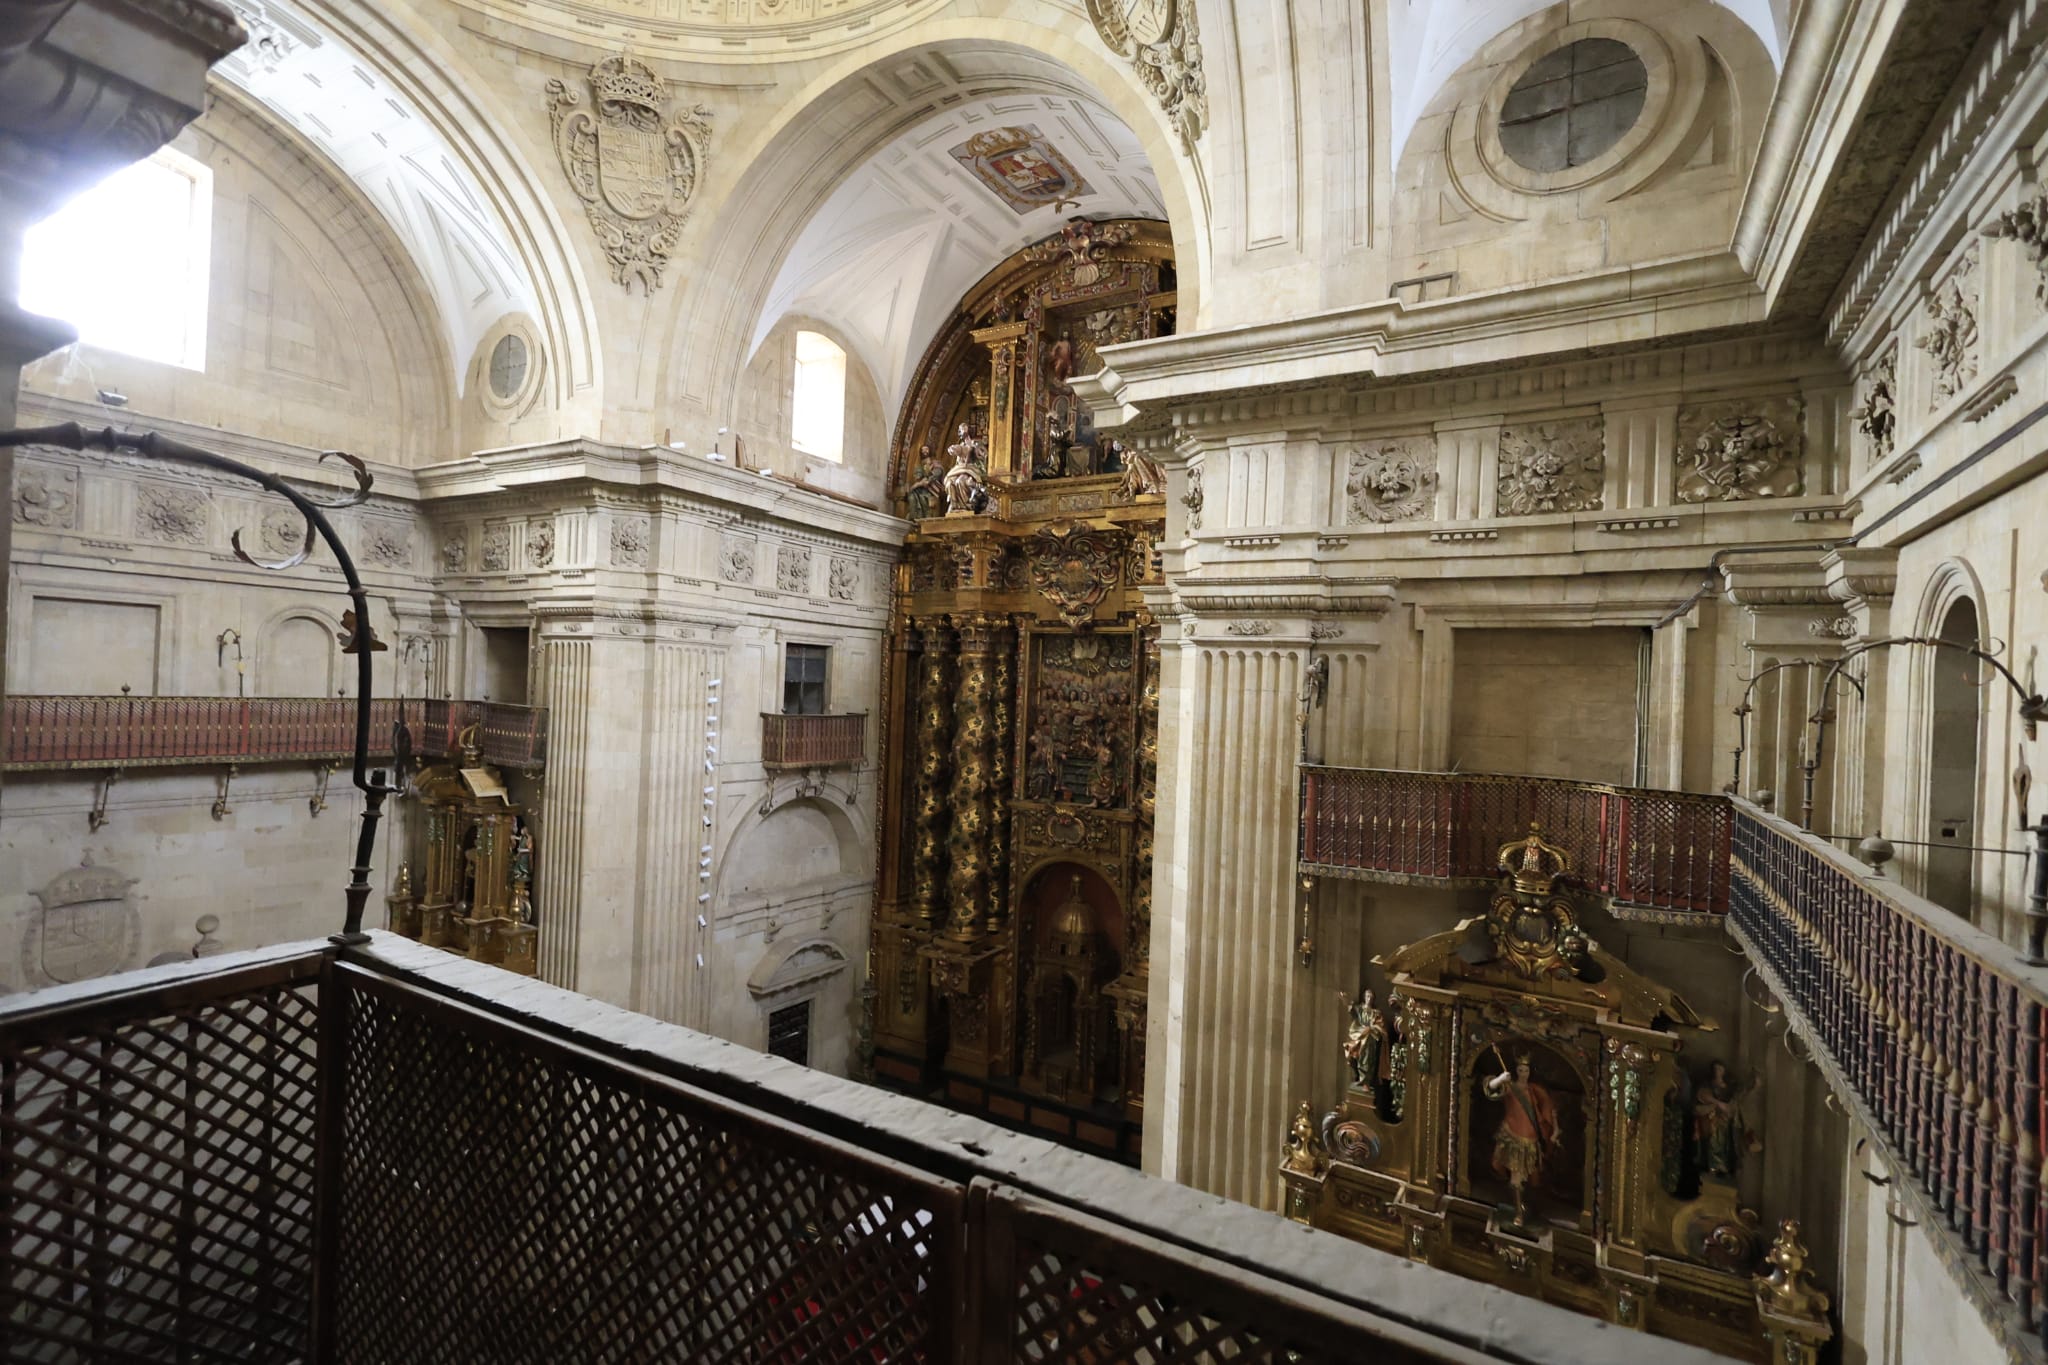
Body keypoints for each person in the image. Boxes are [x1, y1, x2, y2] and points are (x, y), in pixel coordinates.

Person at [1484, 1052, 1562, 1226]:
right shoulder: (1510, 1086)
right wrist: (1500, 1079)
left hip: (1530, 1139)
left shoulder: (1534, 1090)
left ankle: (1525, 1206)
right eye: (1520, 1070)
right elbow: (1490, 1089)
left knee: (1532, 1178)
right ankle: (1518, 1211)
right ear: (1516, 1071)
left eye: (1525, 1070)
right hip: (1513, 1136)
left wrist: (1554, 1130)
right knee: (1516, 1178)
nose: (1523, 1073)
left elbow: (1549, 1110)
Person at [1692, 1059, 1745, 1179]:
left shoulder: (1728, 1087)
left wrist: (1727, 1109)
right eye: (1716, 1069)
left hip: (1725, 1119)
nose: (1718, 1071)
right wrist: (1718, 1104)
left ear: (1724, 1071)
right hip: (1711, 1117)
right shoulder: (1708, 1085)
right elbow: (1702, 1096)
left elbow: (1733, 1102)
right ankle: (1713, 1166)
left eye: (1720, 1069)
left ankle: (1724, 1166)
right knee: (1713, 1138)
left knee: (1725, 1139)